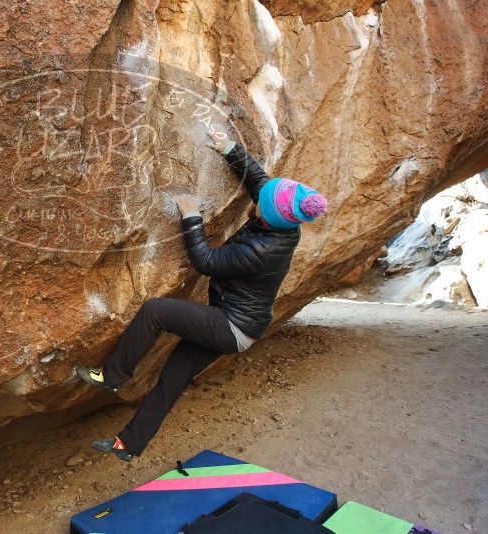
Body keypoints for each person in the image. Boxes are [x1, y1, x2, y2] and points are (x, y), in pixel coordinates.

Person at [75, 130, 329, 462]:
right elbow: (262, 185)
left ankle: (112, 376)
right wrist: (229, 147)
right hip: (235, 321)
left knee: (155, 311)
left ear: (268, 215)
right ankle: (129, 445)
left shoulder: (263, 249)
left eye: (261, 204)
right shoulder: (280, 222)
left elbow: (206, 261)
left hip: (231, 327)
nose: (256, 199)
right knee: (172, 379)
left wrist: (191, 217)